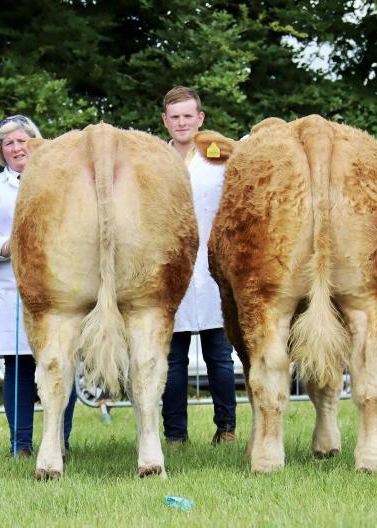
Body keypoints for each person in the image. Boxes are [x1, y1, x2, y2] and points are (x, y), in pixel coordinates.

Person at [0, 115, 76, 458]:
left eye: (23, 141)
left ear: (36, 143)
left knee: (61, 363)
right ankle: (21, 444)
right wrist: (10, 246)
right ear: (0, 150)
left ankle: (59, 440)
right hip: (13, 285)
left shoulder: (59, 180)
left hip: (58, 285)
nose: (17, 148)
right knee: (18, 367)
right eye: (9, 143)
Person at [160, 86, 237, 445]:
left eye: (188, 116)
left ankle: (226, 428)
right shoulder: (155, 161)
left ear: (200, 118)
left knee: (219, 357)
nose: (182, 123)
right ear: (165, 120)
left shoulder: (220, 159)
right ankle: (175, 434)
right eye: (175, 117)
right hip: (169, 271)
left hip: (212, 269)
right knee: (171, 360)